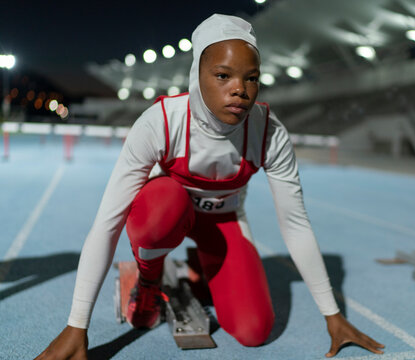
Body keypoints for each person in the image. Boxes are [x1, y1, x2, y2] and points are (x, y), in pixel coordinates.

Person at [35, 14, 385, 359]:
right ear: (197, 76)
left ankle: (201, 266)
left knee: (254, 332)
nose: (239, 89)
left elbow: (295, 223)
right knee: (164, 203)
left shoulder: (269, 131)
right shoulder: (160, 122)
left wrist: (332, 315)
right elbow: (108, 221)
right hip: (167, 214)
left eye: (251, 79)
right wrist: (76, 325)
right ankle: (149, 281)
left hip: (224, 221)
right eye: (223, 75)